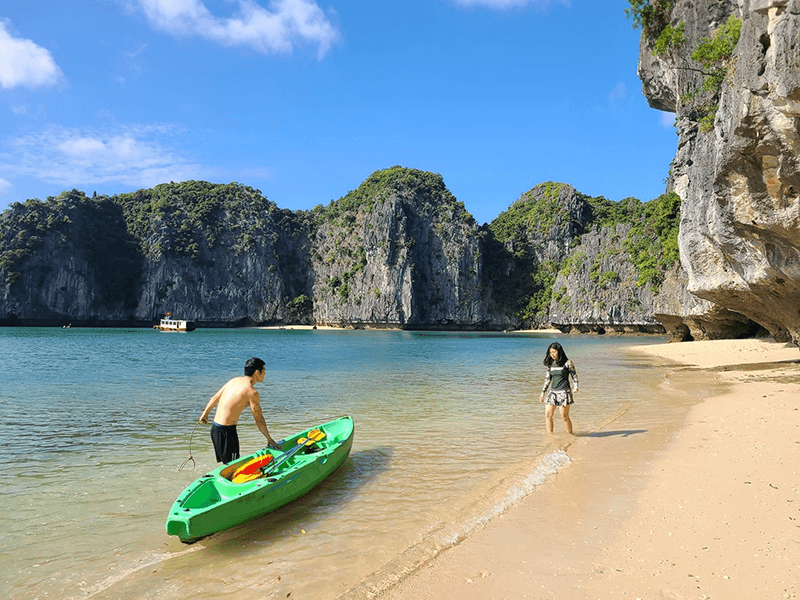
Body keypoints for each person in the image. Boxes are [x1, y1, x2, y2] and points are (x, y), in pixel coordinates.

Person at [199, 357, 281, 463]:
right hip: (227, 433)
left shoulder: (233, 381)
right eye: (264, 370)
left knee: (228, 464)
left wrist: (204, 415)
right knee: (233, 465)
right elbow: (259, 419)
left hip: (215, 430)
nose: (265, 373)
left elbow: (215, 398)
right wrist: (269, 439)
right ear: (257, 372)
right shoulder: (252, 393)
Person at [538, 342, 579, 434]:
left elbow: (574, 375)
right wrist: (543, 393)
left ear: (559, 352)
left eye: (554, 352)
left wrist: (576, 387)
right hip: (552, 392)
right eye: (550, 352)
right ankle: (550, 436)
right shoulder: (550, 364)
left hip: (564, 392)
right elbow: (548, 379)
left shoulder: (568, 363)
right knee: (548, 415)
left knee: (564, 417)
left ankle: (570, 436)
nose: (552, 354)